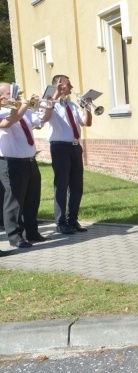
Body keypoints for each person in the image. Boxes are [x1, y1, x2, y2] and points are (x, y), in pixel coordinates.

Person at [0, 84, 53, 249]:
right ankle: (15, 237)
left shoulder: (23, 111)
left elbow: (42, 120)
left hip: (29, 161)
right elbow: (8, 122)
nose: (15, 95)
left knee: (32, 199)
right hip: (10, 162)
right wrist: (22, 104)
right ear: (1, 96)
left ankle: (31, 232)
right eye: (11, 92)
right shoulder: (3, 112)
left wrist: (48, 105)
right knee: (14, 200)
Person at [48, 75, 92, 234]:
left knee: (76, 186)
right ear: (59, 86)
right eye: (68, 85)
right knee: (61, 185)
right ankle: (60, 222)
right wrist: (55, 95)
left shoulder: (72, 105)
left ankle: (72, 219)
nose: (71, 87)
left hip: (75, 147)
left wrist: (88, 107)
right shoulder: (50, 103)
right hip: (60, 147)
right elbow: (45, 112)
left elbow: (86, 123)